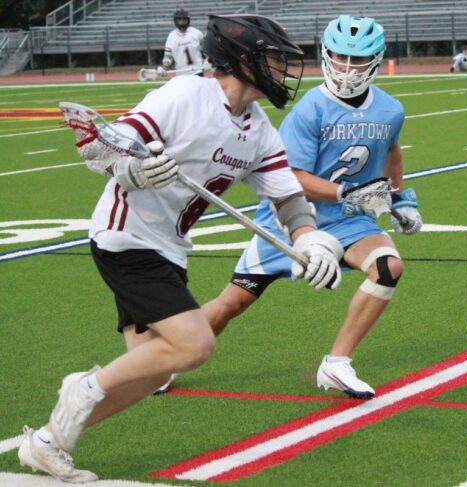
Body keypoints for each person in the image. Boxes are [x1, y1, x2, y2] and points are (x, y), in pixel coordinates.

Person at [17, 14, 344, 483]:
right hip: (126, 237)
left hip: (169, 248)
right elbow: (108, 148)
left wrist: (308, 238)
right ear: (243, 59)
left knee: (151, 371)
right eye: (274, 58)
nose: (282, 69)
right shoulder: (186, 94)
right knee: (195, 344)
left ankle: (48, 442)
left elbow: (288, 198)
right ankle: (83, 387)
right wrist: (132, 170)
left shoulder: (259, 130)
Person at [201, 14, 423, 400]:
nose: (347, 67)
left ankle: (337, 363)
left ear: (376, 60)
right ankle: (166, 359)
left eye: (357, 59)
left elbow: (392, 150)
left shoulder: (390, 109)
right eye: (339, 57)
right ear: (326, 55)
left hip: (349, 222)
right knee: (233, 302)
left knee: (388, 267)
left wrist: (402, 198)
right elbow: (291, 177)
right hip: (290, 221)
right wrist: (345, 193)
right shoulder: (309, 110)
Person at [159, 8, 205, 76]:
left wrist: (207, 61)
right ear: (176, 21)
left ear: (188, 20)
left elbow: (206, 49)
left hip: (197, 71)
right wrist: (165, 67)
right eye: (179, 19)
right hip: (181, 72)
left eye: (184, 19)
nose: (182, 22)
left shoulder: (197, 33)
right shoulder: (171, 37)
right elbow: (168, 56)